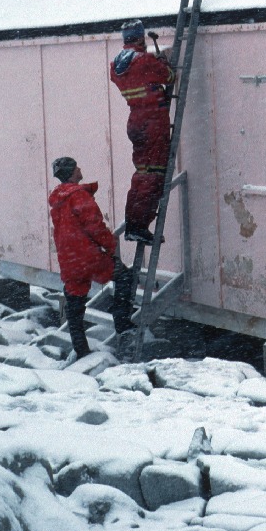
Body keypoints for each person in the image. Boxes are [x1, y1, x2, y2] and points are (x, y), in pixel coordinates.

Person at [48, 156, 135, 359]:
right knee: (124, 277)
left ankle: (81, 350)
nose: (80, 168)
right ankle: (123, 324)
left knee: (74, 306)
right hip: (88, 258)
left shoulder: (58, 201)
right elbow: (95, 227)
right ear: (71, 173)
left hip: (69, 261)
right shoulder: (79, 196)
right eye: (76, 167)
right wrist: (111, 246)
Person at [109, 19, 174, 242]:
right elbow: (169, 77)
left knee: (141, 174)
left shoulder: (115, 65)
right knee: (153, 176)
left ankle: (133, 223)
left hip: (135, 121)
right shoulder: (145, 61)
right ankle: (139, 226)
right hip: (153, 122)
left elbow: (138, 78)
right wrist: (163, 63)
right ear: (140, 37)